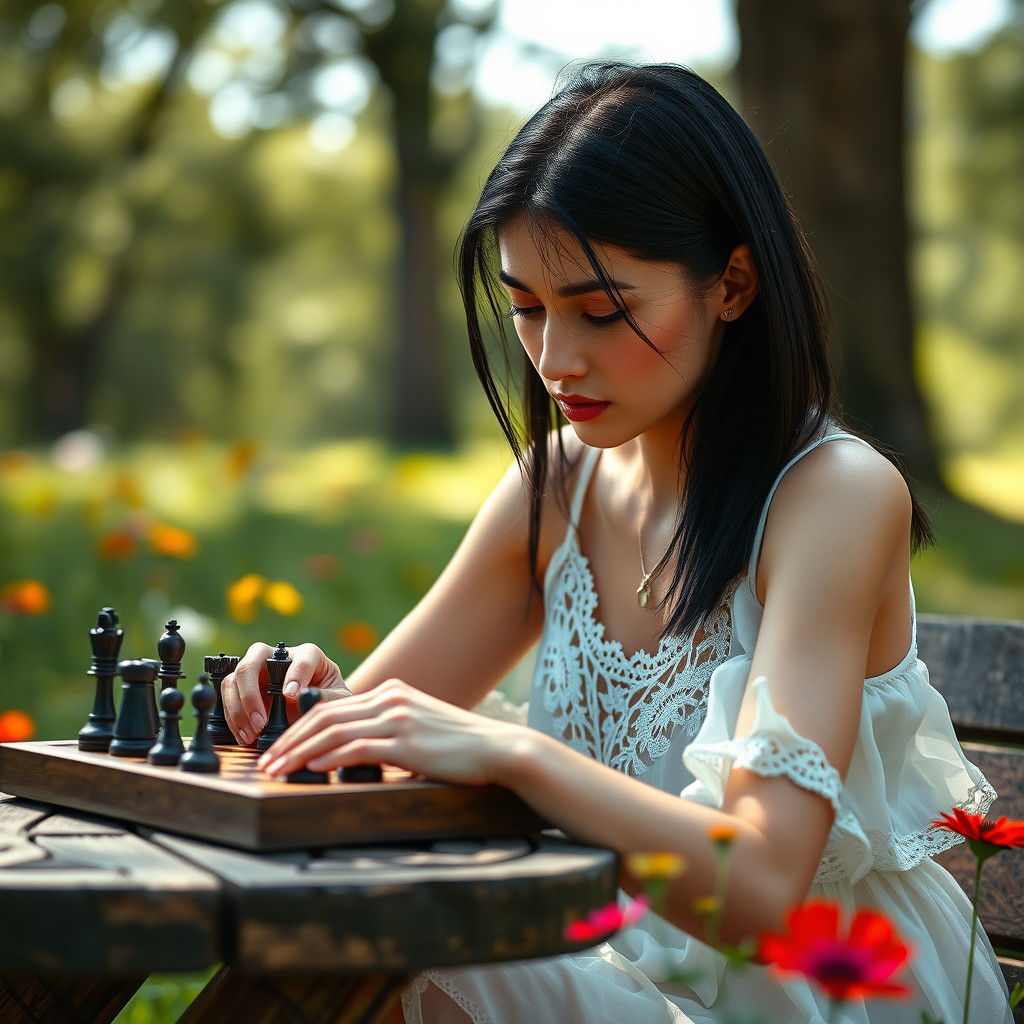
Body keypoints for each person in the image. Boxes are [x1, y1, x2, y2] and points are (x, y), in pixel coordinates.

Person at [220, 62, 1011, 1024]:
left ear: (731, 284)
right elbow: (372, 748)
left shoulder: (831, 497)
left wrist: (516, 757)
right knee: (341, 932)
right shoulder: (554, 490)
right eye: (525, 307)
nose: (554, 358)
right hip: (598, 968)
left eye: (600, 311)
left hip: (793, 993)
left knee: (394, 949)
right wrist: (310, 700)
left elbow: (761, 887)